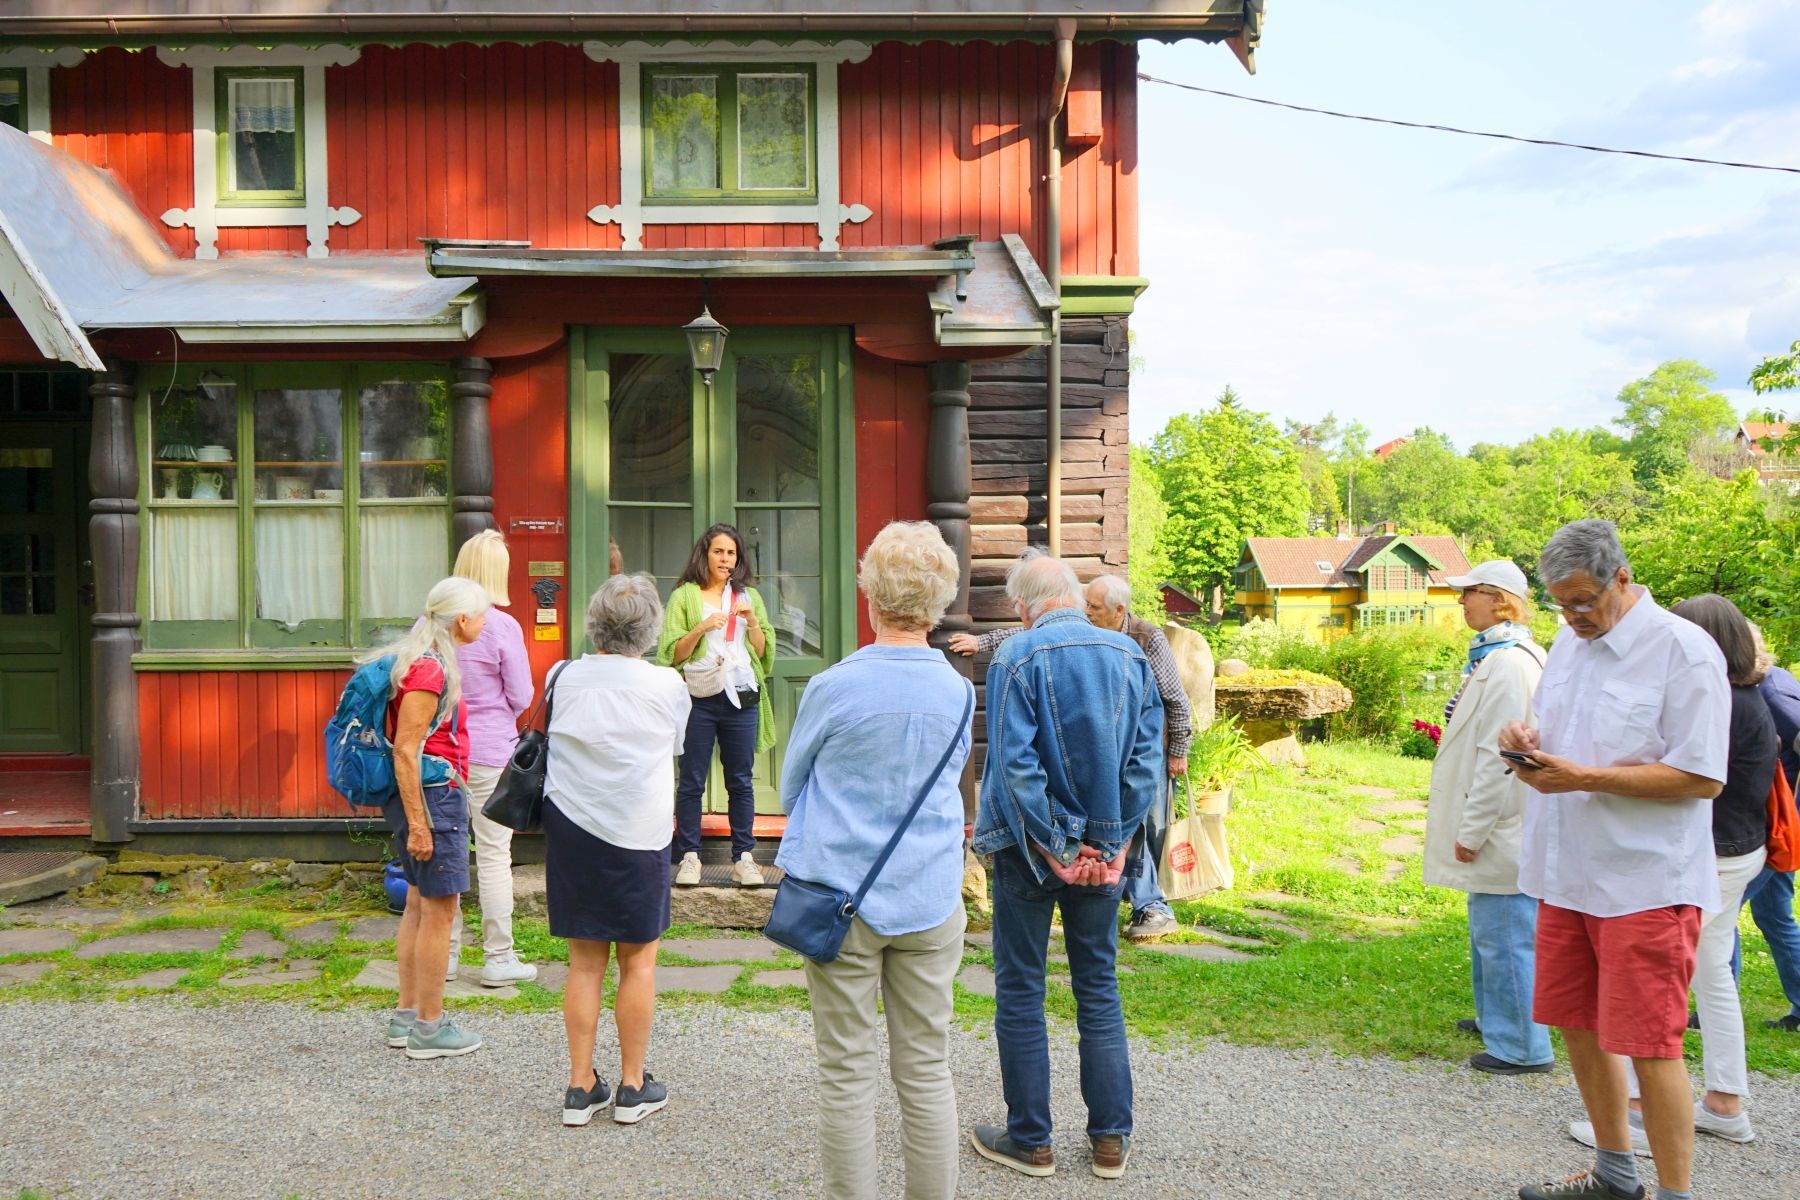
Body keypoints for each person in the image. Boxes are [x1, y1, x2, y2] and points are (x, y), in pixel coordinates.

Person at [1500, 520, 1729, 1200]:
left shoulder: (1683, 652)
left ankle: (1676, 1195)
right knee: (1577, 1025)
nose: (1571, 617)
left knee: (1651, 1044)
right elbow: (1559, 731)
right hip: (1566, 872)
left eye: (1583, 601)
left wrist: (1586, 778)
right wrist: (1525, 740)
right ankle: (1614, 1174)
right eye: (1559, 604)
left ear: (1621, 579)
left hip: (1644, 884)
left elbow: (1702, 778)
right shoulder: (1570, 646)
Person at [777, 521, 973, 1200]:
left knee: (846, 1072)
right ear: (938, 600)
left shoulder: (836, 685)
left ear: (870, 592)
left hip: (842, 897)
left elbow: (790, 784)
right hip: (928, 893)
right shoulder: (957, 690)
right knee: (925, 1069)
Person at [968, 550, 1163, 1181]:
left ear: (1025, 605)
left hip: (1028, 852)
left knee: (1022, 988)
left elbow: (1015, 765)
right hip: (1104, 861)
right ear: (1075, 597)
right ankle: (1110, 1141)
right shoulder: (1129, 654)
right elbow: (1145, 765)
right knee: (1098, 988)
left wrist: (1057, 844)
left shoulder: (1016, 656)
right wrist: (1114, 844)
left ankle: (1031, 1141)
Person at [1575, 594, 1770, 1149]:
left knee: (1656, 984)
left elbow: (1687, 774)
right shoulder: (1753, 695)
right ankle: (1725, 1100)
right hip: (1739, 848)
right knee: (1710, 974)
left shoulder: (1715, 697)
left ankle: (1641, 1108)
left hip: (1708, 853)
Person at [951, 574, 1192, 941]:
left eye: (1094, 607)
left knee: (1150, 826)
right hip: (1106, 815)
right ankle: (1139, 891)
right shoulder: (1110, 649)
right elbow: (1021, 639)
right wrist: (1107, 846)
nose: (1088, 612)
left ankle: (1150, 903)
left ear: (1118, 610)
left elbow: (1174, 698)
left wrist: (1178, 751)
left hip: (1133, 766)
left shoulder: (1145, 641)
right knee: (1097, 972)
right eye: (1087, 605)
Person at [544, 574, 691, 1126]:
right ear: (650, 629)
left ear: (594, 623)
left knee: (584, 964)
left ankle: (580, 1087)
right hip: (639, 830)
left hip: (574, 825)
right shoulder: (667, 685)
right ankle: (633, 1085)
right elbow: (674, 744)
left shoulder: (562, 676)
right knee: (639, 962)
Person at [1421, 559, 1552, 1075]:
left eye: (1469, 592)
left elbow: (1502, 758)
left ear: (1500, 599)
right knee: (1490, 930)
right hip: (1500, 824)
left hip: (1501, 825)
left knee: (1506, 935)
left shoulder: (1510, 664)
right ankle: (1496, 1016)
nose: (1460, 601)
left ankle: (1521, 1045)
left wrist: (1471, 832)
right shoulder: (1496, 657)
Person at [374, 576, 490, 1061]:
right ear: (462, 620)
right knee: (441, 911)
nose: (485, 622)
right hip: (432, 797)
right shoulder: (431, 670)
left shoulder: (418, 659)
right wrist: (421, 824)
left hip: (420, 798)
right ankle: (429, 1027)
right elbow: (406, 749)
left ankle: (408, 1016)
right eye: (482, 614)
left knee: (419, 906)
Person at [657, 523, 777, 888]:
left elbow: (761, 654)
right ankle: (690, 855)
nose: (725, 559)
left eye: (731, 553)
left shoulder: (749, 597)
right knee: (691, 779)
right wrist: (701, 628)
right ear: (705, 555)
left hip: (741, 697)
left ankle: (744, 857)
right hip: (699, 696)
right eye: (718, 552)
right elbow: (669, 654)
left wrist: (753, 623)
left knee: (741, 780)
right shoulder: (685, 597)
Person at [443, 530, 538, 988]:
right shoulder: (502, 627)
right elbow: (521, 695)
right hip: (488, 752)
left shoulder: (434, 624)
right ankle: (498, 958)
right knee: (495, 855)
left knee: (448, 850)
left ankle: (444, 955)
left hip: (440, 751)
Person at [1743, 627, 1800, 1033]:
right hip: (1771, 825)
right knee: (1774, 914)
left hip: (1774, 828)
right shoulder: (1765, 685)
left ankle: (1715, 1009)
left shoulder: (1775, 697)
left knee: (1717, 914)